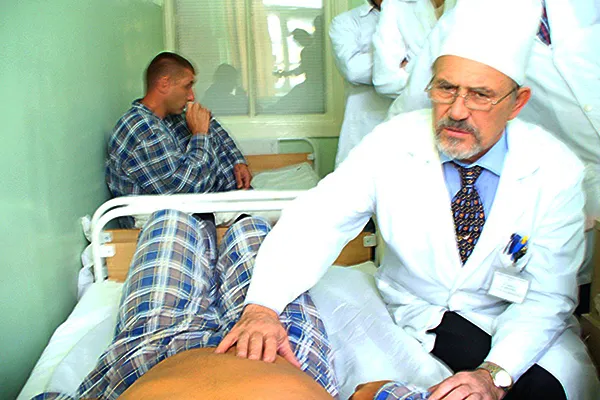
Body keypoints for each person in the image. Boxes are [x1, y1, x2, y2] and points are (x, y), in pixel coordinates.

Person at [217, 1, 600, 399]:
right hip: (410, 312)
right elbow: (318, 219)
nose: (457, 111)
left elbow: (546, 296)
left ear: (517, 103)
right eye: (446, 88)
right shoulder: (393, 142)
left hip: (511, 322)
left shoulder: (555, 169)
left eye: (480, 95)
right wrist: (261, 307)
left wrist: (493, 374)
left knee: (549, 390)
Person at [387, 0, 600, 315]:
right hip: (561, 187)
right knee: (563, 299)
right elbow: (414, 107)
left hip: (573, 182)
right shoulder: (467, 16)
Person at [31, 209, 339, 399]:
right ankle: (240, 226)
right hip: (280, 347)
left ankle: (200, 228)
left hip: (149, 354)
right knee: (253, 230)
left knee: (168, 221)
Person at [106, 53, 252, 210]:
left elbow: (214, 127)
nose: (191, 96)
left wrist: (238, 161)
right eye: (187, 86)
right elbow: (191, 189)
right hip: (194, 214)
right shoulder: (143, 129)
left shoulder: (172, 116)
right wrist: (199, 135)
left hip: (232, 198)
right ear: (164, 84)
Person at [329, 0, 393, 167]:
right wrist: (402, 60)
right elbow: (354, 70)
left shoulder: (419, 16)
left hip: (411, 124)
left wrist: (386, 62)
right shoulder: (346, 22)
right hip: (365, 127)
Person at [372, 0, 457, 98]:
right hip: (416, 106)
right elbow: (385, 81)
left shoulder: (468, 6)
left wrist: (412, 68)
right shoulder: (394, 5)